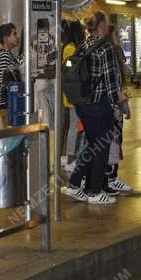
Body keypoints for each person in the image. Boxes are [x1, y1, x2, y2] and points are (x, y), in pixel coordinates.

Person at [62, 11, 125, 205]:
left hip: (83, 103)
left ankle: (74, 184)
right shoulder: (104, 48)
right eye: (106, 23)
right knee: (102, 146)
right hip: (100, 104)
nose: (108, 26)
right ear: (100, 26)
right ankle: (95, 191)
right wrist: (117, 104)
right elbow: (109, 80)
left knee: (92, 144)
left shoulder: (83, 45)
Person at [104, 23, 133, 193]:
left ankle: (112, 176)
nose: (119, 38)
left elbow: (118, 83)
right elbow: (112, 84)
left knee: (116, 142)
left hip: (117, 104)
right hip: (112, 106)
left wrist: (124, 106)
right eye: (116, 35)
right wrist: (118, 105)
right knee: (112, 143)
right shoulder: (110, 54)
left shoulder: (115, 54)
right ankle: (110, 177)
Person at [61, 19, 86, 179]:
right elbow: (71, 72)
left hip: (74, 94)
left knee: (76, 126)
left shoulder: (71, 48)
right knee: (74, 126)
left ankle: (72, 156)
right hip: (73, 95)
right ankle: (70, 157)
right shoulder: (70, 49)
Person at [0, 22, 21, 127]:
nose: (17, 37)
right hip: (8, 102)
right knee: (11, 136)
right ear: (6, 38)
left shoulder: (8, 55)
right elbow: (4, 81)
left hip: (9, 101)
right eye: (14, 34)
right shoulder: (4, 56)